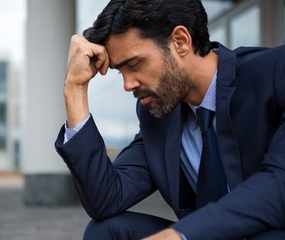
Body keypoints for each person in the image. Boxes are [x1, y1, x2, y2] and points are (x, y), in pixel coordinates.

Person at [54, 0, 285, 239]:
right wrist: (75, 89)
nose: (127, 84)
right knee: (107, 230)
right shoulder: (158, 114)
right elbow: (105, 200)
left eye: (134, 64)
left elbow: (279, 184)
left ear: (180, 41)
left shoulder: (275, 72)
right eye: (120, 72)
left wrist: (181, 234)